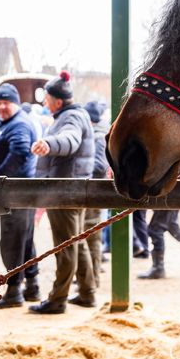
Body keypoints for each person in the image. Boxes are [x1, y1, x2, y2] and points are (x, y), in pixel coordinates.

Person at [29, 71, 95, 314]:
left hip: (64, 192)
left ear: (57, 101)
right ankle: (87, 292)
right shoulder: (74, 115)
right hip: (74, 190)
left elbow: (69, 140)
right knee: (77, 242)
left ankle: (58, 299)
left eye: (47, 99)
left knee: (65, 246)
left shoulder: (70, 119)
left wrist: (49, 144)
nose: (44, 103)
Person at [0, 83, 40, 308]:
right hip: (22, 191)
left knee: (11, 240)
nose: (2, 106)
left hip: (15, 191)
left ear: (16, 103)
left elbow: (20, 153)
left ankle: (14, 292)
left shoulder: (19, 124)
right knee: (25, 239)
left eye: (6, 102)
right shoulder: (9, 123)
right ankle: (32, 286)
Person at [75, 100, 110, 287]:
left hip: (94, 191)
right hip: (95, 190)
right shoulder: (102, 134)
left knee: (91, 236)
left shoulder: (97, 137)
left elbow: (98, 166)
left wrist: (83, 171)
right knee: (91, 235)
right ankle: (91, 276)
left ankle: (93, 277)